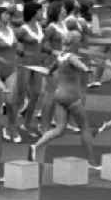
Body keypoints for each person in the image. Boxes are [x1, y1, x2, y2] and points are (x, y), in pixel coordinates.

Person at [29, 30, 97, 167]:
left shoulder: (60, 56)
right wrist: (87, 69)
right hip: (71, 97)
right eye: (79, 41)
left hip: (59, 95)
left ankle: (36, 146)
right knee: (85, 128)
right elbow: (79, 65)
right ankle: (92, 162)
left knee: (59, 129)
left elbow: (50, 70)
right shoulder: (71, 57)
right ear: (75, 43)